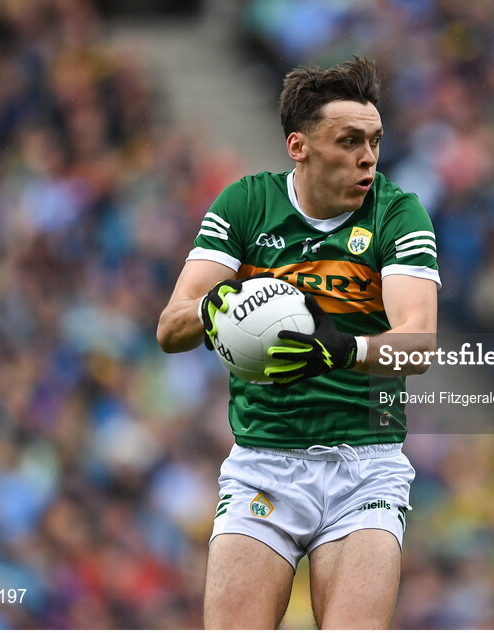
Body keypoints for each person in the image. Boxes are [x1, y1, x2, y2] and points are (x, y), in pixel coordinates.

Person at [156, 56, 439, 629]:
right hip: (263, 463)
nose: (368, 156)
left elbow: (421, 346)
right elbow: (171, 328)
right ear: (299, 146)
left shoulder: (398, 212)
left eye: (376, 141)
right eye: (350, 140)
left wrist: (343, 348)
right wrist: (219, 308)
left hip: (366, 463)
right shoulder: (246, 204)